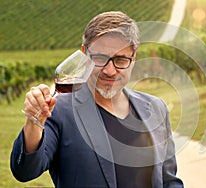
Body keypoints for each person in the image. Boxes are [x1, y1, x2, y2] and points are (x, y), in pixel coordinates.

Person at [10, 11, 184, 188]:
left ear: (134, 58)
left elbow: (168, 180)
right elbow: (25, 171)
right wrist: (33, 123)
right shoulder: (57, 111)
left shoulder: (156, 108)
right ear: (85, 53)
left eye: (120, 60)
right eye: (100, 58)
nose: (109, 70)